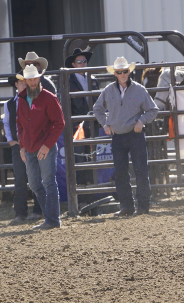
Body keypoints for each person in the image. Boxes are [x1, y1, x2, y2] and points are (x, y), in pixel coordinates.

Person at [93, 57, 159, 216]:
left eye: (124, 71)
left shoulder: (139, 89)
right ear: (115, 74)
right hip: (118, 136)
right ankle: (127, 206)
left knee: (141, 171)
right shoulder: (108, 90)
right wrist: (105, 124)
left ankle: (143, 206)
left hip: (134, 134)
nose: (122, 74)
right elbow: (97, 109)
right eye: (119, 72)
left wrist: (141, 121)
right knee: (121, 173)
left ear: (129, 72)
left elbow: (153, 110)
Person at [16, 64, 65, 230]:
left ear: (39, 78)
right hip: (30, 148)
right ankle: (49, 218)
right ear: (25, 80)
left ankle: (52, 220)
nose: (33, 81)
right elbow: (20, 125)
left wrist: (46, 146)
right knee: (36, 184)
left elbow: (59, 123)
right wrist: (22, 146)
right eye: (30, 79)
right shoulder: (22, 99)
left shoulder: (49, 98)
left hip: (44, 147)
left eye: (35, 78)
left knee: (48, 182)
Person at [4, 72, 43, 224]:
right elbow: (7, 123)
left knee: (35, 177)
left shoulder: (32, 100)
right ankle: (21, 212)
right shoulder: (10, 104)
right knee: (21, 178)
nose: (24, 84)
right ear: (16, 84)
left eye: (25, 81)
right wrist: (11, 140)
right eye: (21, 81)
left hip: (32, 144)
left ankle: (37, 210)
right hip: (20, 145)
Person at [65, 48, 100, 187]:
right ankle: (82, 193)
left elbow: (98, 101)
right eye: (79, 62)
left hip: (91, 124)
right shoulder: (68, 81)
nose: (82, 64)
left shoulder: (93, 79)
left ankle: (91, 189)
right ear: (73, 64)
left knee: (92, 157)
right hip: (77, 125)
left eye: (84, 61)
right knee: (79, 158)